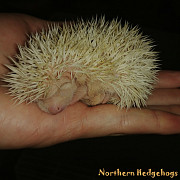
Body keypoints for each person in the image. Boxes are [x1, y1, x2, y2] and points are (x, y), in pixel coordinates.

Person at [0, 13, 179, 149]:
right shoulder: (63, 73)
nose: (54, 108)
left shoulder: (86, 69)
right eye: (42, 99)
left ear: (70, 71)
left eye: (58, 89)